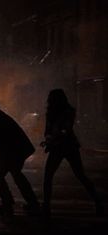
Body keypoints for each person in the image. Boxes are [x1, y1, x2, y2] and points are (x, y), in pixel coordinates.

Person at [40, 89, 104, 220]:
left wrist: (51, 139)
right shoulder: (53, 113)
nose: (49, 101)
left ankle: (98, 201)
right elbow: (48, 130)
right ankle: (46, 206)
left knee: (77, 175)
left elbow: (65, 130)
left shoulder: (67, 112)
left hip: (67, 146)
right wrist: (48, 139)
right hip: (61, 146)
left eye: (51, 98)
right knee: (51, 176)